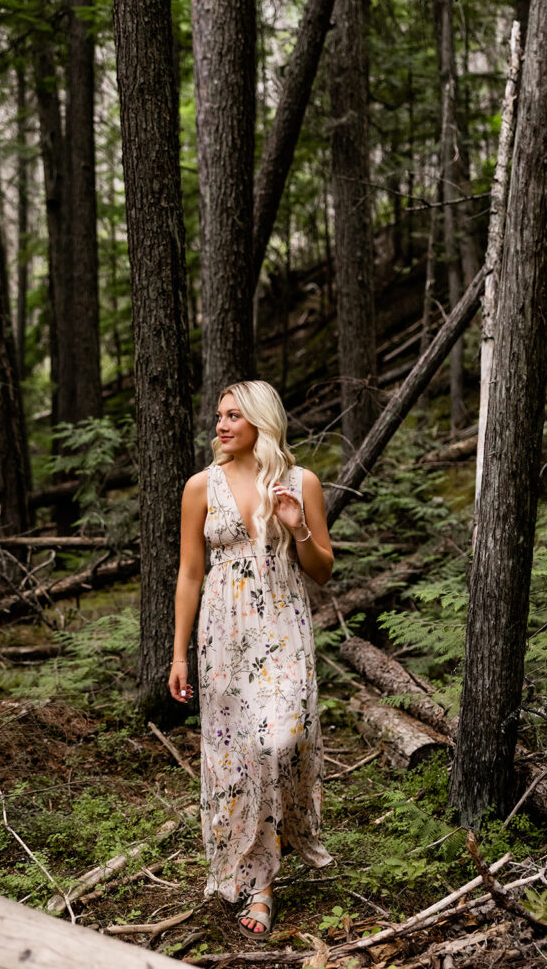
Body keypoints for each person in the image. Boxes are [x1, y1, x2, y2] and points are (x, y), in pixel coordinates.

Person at [168, 380, 333, 940]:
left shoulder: (300, 482)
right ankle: (258, 883)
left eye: (233, 415)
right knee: (236, 755)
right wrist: (179, 652)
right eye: (218, 415)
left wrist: (297, 528)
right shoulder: (200, 486)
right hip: (223, 632)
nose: (221, 425)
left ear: (261, 420)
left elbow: (324, 568)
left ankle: (279, 838)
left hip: (282, 624)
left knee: (279, 739)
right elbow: (190, 573)